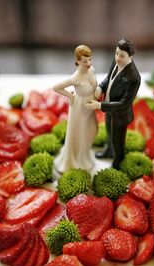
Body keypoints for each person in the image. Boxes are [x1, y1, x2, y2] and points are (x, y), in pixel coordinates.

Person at [86, 38, 141, 169]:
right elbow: (109, 78)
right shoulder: (116, 62)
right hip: (109, 108)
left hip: (120, 114)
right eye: (116, 53)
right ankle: (109, 151)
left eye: (122, 55)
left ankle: (118, 160)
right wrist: (100, 88)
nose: (118, 57)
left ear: (130, 56)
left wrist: (100, 105)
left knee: (118, 140)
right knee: (109, 133)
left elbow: (124, 103)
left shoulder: (134, 77)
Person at [53, 45, 98, 175]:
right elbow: (56, 87)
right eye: (85, 61)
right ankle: (76, 161)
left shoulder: (92, 70)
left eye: (90, 59)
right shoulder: (75, 78)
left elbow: (95, 86)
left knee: (93, 130)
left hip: (90, 105)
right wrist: (71, 96)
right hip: (80, 107)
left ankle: (84, 155)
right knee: (79, 135)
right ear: (77, 61)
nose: (88, 63)